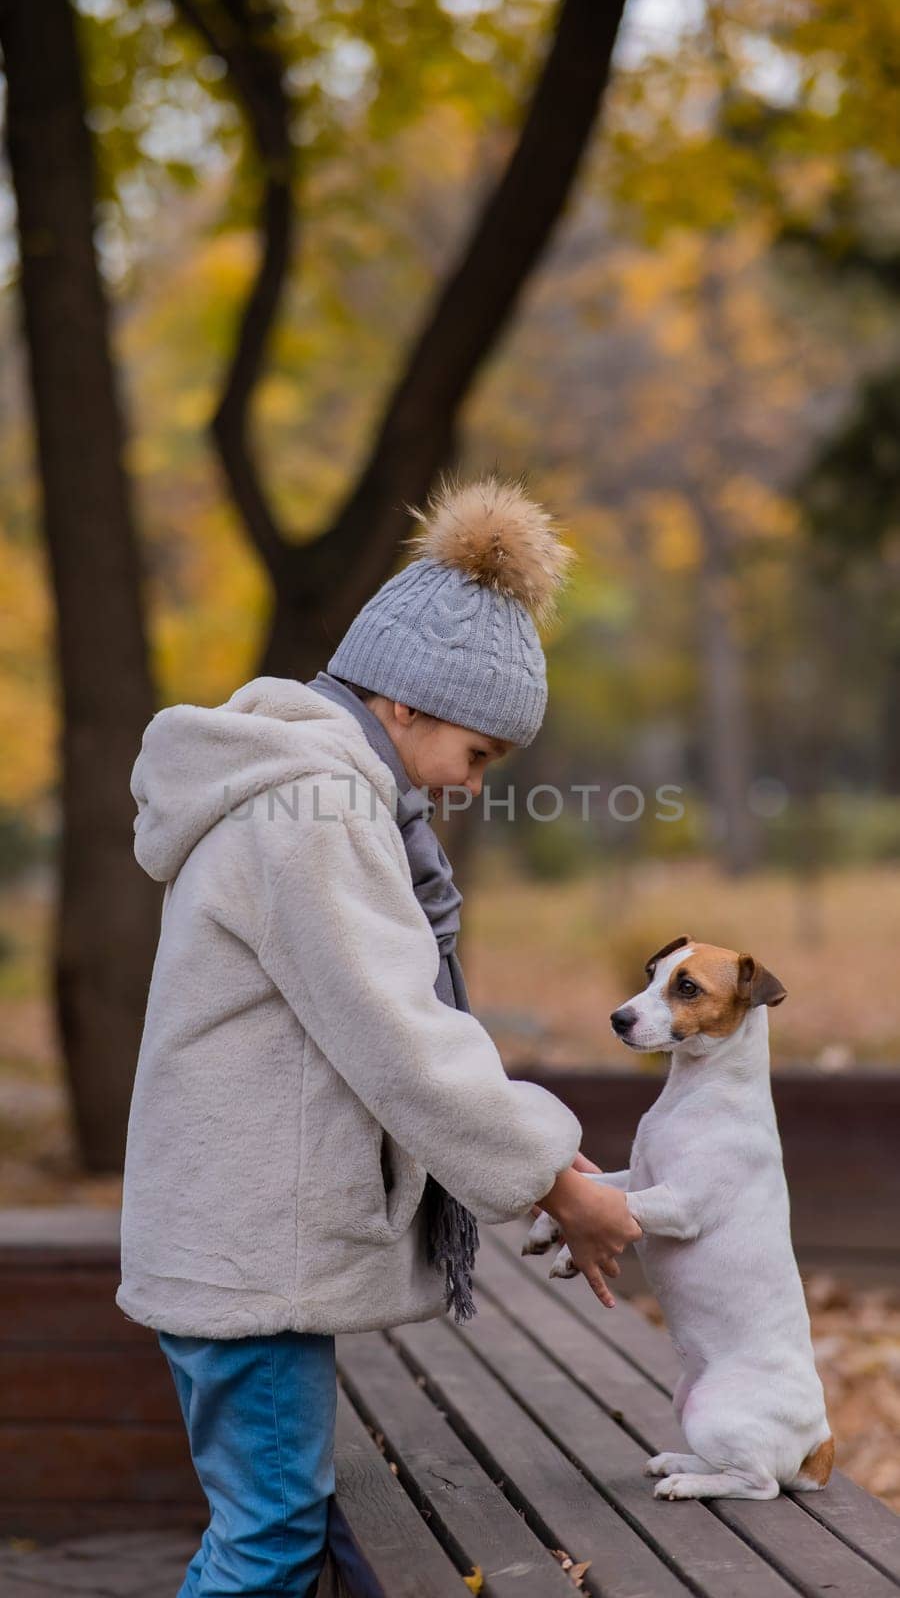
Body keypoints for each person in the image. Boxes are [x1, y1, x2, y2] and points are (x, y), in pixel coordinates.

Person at [115, 472, 642, 1597]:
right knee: (269, 1543)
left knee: (273, 1530)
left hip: (237, 1241)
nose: (473, 785)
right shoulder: (315, 815)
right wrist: (555, 1175)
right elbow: (402, 1037)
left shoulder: (303, 792)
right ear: (404, 701)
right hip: (250, 1260)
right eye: (481, 754)